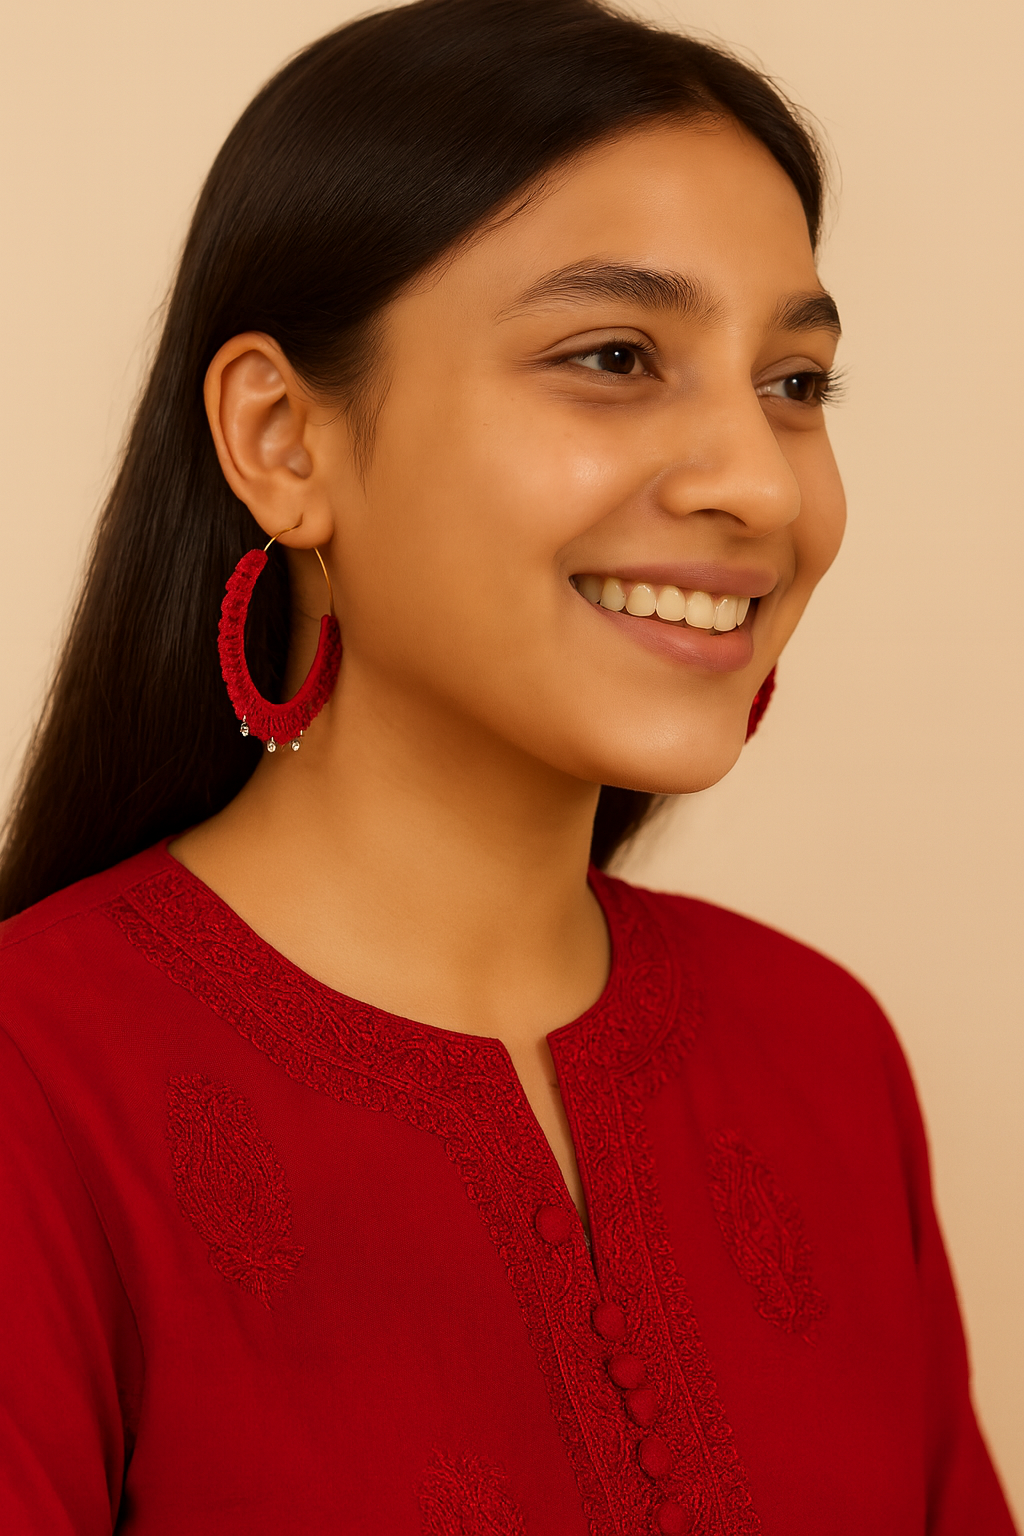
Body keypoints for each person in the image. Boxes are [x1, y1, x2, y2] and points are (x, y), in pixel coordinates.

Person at [0, 0, 1015, 1531]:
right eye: (615, 356)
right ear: (283, 440)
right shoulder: (39, 1087)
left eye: (794, 385)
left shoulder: (825, 1054)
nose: (757, 482)